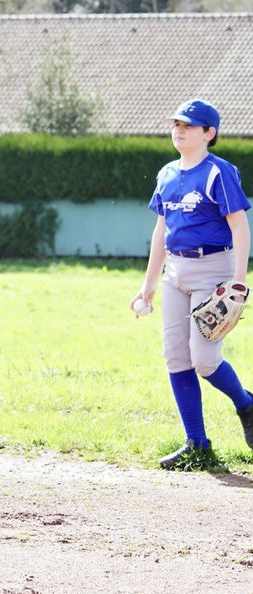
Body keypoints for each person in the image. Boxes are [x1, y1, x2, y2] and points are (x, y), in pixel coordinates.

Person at [131, 98, 253, 469]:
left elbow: (239, 226)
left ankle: (246, 405)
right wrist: (148, 285)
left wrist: (238, 281)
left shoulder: (219, 172)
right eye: (177, 124)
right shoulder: (167, 174)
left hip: (212, 267)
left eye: (189, 125)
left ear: (209, 133)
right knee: (176, 357)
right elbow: (160, 231)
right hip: (176, 272)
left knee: (204, 359)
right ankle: (197, 444)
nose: (179, 130)